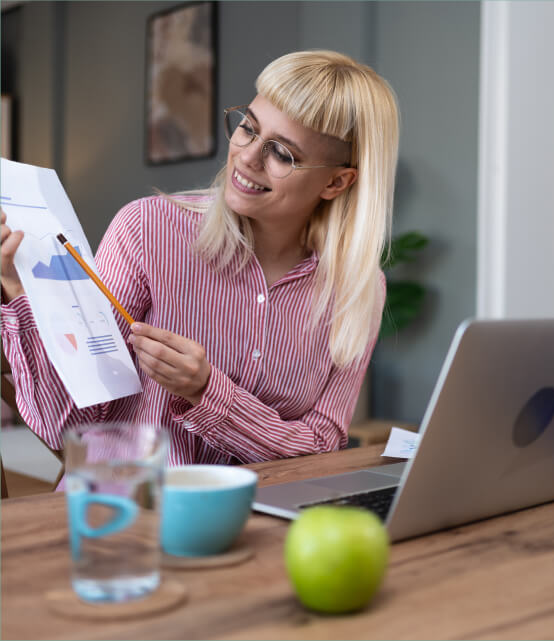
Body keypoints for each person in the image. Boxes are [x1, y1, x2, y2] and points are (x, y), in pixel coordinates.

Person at [0, 50, 400, 466]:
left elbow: (319, 447)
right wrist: (14, 290)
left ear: (336, 182)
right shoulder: (147, 230)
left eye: (282, 154)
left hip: (268, 520)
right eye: (248, 128)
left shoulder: (359, 288)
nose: (246, 157)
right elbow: (70, 430)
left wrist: (206, 390)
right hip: (131, 509)